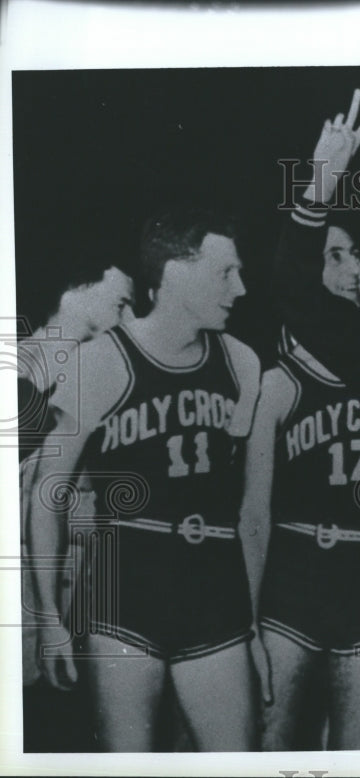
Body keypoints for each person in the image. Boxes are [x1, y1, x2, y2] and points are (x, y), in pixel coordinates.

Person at [28, 210, 261, 751]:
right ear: (178, 274)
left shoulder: (242, 365)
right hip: (123, 596)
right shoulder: (102, 362)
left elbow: (248, 507)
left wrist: (251, 625)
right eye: (226, 272)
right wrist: (49, 618)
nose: (240, 288)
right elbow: (48, 494)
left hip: (213, 596)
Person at [242, 219, 360, 750]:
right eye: (334, 256)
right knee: (269, 749)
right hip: (295, 582)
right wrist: (248, 623)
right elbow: (254, 516)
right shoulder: (277, 383)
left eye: (355, 254)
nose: (353, 269)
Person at [19, 257, 134, 752]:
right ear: (75, 288)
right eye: (122, 302)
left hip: (76, 589)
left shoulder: (97, 379)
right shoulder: (19, 369)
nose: (129, 319)